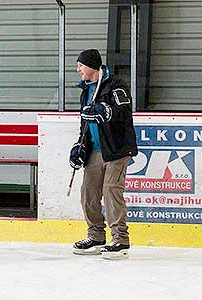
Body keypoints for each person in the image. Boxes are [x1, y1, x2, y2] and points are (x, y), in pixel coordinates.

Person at [69, 49, 138, 259]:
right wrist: (80, 146)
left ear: (91, 65)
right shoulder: (86, 91)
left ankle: (120, 240)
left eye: (80, 65)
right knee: (88, 193)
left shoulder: (116, 85)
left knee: (111, 191)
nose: (78, 69)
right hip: (95, 150)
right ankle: (96, 236)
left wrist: (106, 111)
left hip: (116, 149)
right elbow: (85, 122)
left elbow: (123, 111)